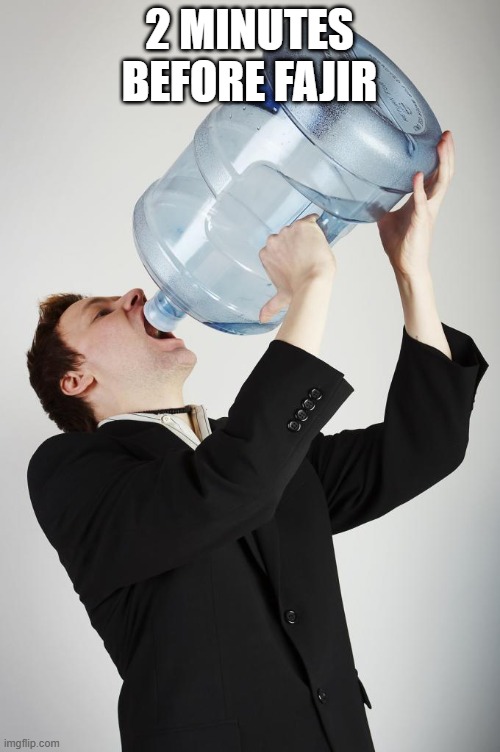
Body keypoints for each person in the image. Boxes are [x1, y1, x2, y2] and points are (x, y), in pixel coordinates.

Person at [26, 131, 487, 752]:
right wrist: (313, 286)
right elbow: (229, 487)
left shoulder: (263, 455)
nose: (134, 293)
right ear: (76, 378)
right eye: (104, 312)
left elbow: (423, 449)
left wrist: (411, 272)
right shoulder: (71, 472)